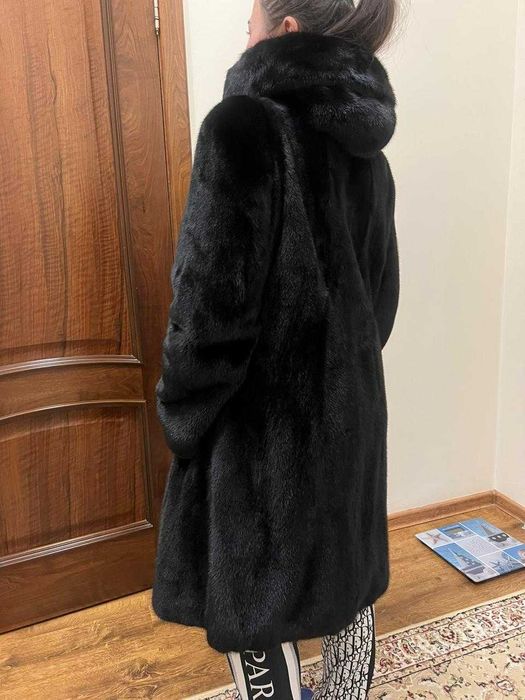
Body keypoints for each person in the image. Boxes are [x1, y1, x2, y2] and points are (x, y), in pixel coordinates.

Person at [151, 0, 400, 698]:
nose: (245, 32)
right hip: (351, 415)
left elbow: (209, 306)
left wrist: (182, 415)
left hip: (261, 433)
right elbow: (380, 303)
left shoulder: (243, 127)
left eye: (251, 18)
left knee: (253, 606)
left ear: (286, 31)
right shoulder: (369, 155)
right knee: (345, 583)